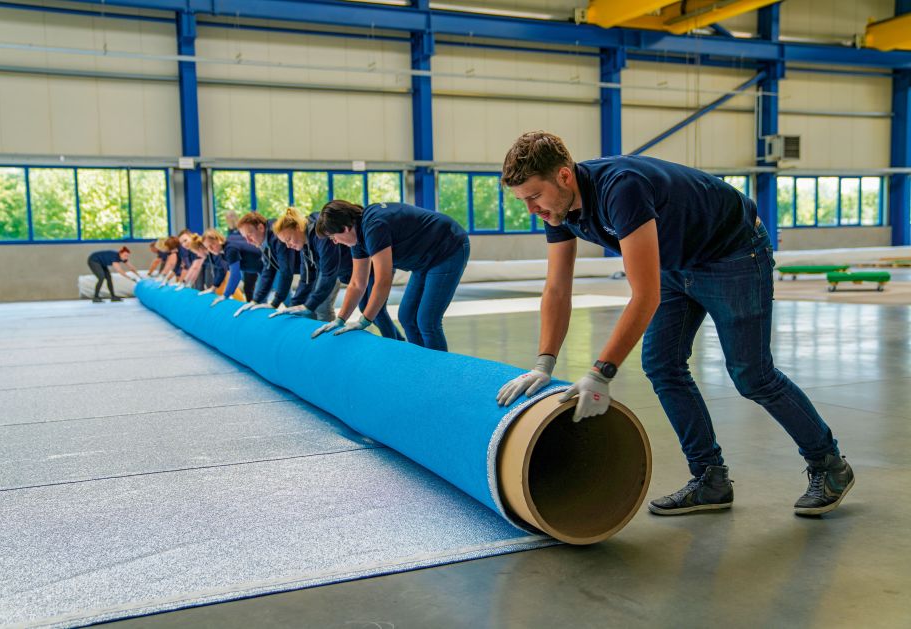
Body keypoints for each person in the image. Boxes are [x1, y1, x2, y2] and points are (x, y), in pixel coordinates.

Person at [494, 130, 853, 517]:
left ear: (564, 176)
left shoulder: (621, 188)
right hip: (676, 262)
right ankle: (710, 478)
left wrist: (601, 372)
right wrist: (543, 362)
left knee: (753, 375)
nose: (532, 209)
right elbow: (557, 289)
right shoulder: (558, 209)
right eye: (522, 200)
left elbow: (644, 296)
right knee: (663, 365)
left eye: (533, 196)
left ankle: (830, 465)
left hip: (732, 254)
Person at [312, 201, 469, 351]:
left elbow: (383, 281)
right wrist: (340, 319)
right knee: (407, 317)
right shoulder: (358, 238)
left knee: (427, 321)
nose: (334, 242)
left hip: (448, 247)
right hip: (424, 260)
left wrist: (365, 320)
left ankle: (438, 371)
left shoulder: (374, 226)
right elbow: (357, 283)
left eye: (333, 237)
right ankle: (420, 362)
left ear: (345, 228)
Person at [268, 207, 402, 338]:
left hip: (372, 267)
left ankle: (395, 344)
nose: (288, 245)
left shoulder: (319, 236)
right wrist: (295, 306)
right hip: (354, 275)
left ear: (297, 228)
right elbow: (307, 277)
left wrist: (309, 306)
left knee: (376, 311)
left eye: (289, 239)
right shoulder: (306, 245)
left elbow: (328, 273)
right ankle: (397, 340)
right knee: (365, 308)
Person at [233, 211, 300, 317]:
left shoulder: (276, 236)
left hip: (318, 268)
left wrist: (275, 303)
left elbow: (286, 271)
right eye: (244, 237)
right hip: (310, 271)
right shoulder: (265, 242)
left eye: (249, 235)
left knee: (316, 308)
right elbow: (268, 270)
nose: (248, 241)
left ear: (260, 227)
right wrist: (255, 301)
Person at [198, 228, 263, 304]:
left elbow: (235, 275)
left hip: (270, 268)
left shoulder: (230, 249)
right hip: (262, 270)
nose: (210, 249)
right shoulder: (222, 252)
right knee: (258, 300)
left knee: (259, 299)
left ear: (219, 240)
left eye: (212, 245)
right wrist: (213, 288)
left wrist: (225, 295)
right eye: (207, 247)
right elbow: (221, 270)